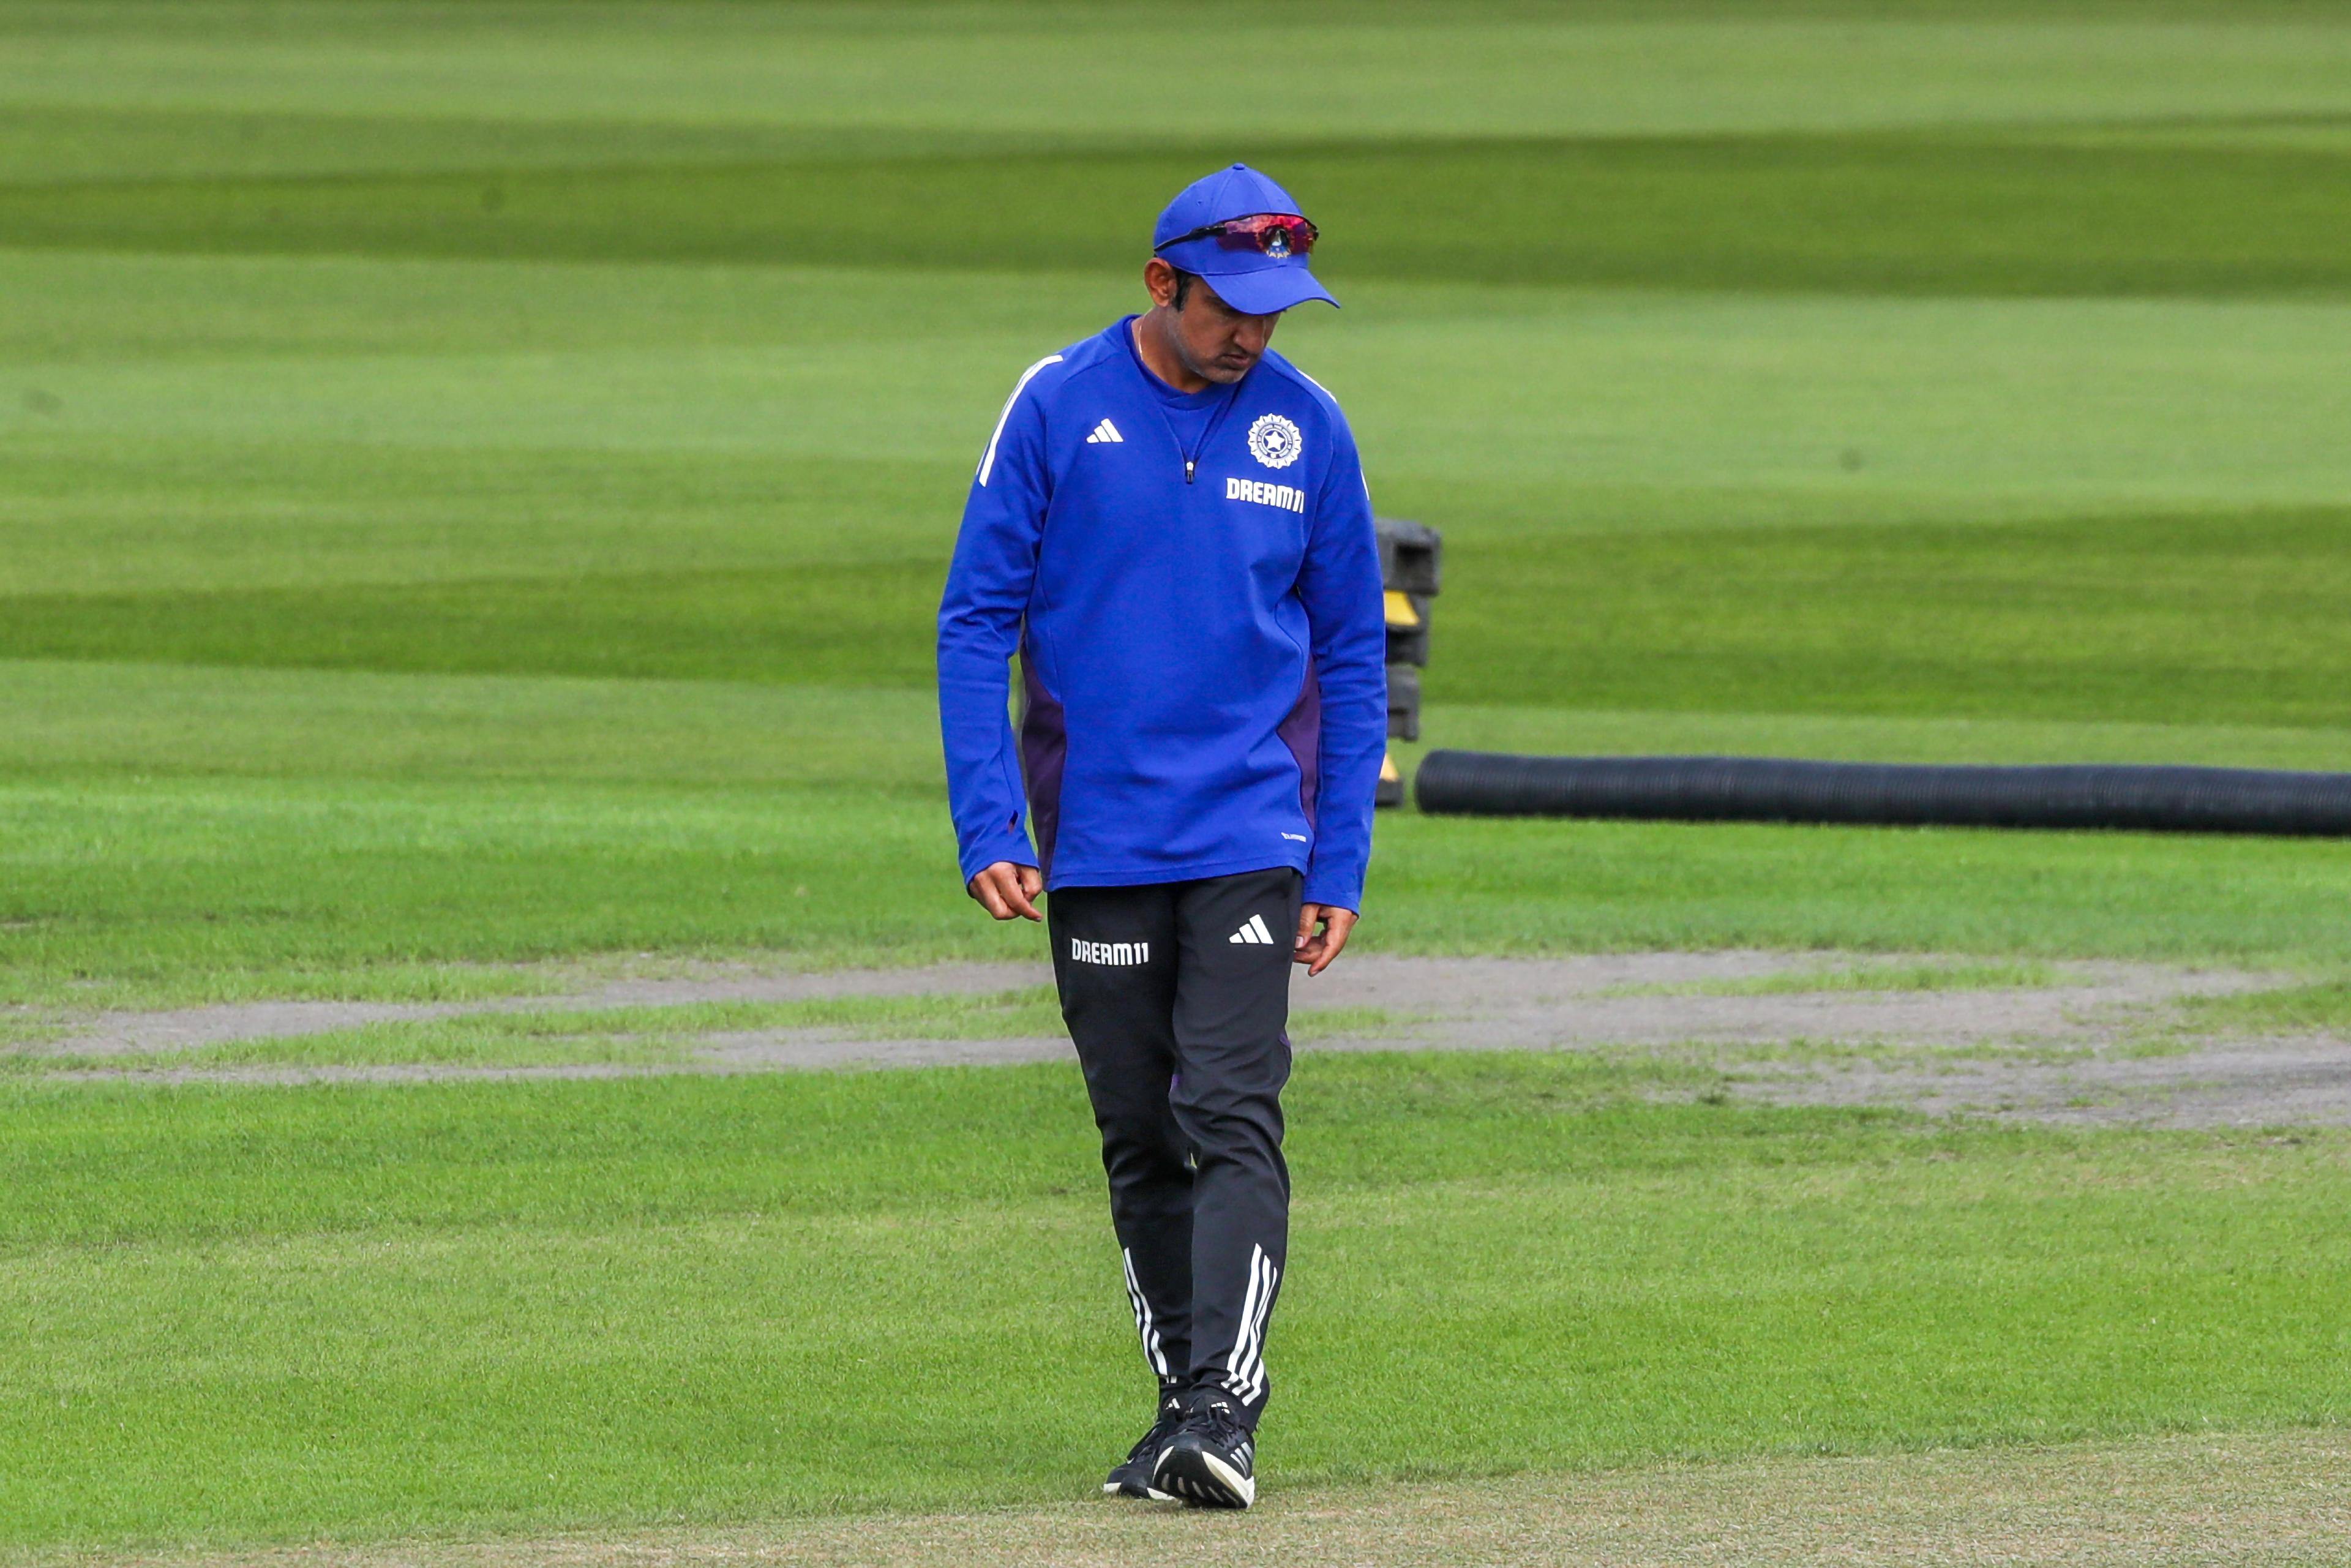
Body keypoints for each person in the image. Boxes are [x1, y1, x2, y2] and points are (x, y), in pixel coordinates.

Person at [937, 164, 1385, 1510]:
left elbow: (1355, 655)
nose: (1252, 333)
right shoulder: (1058, 404)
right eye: (1229, 306)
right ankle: (1181, 1411)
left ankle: (1223, 1413)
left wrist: (1341, 858)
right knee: (1140, 1134)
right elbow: (976, 619)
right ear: (1160, 284)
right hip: (1097, 840)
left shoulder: (1308, 430)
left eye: (1275, 310)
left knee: (1231, 1111)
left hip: (1255, 832)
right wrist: (986, 821)